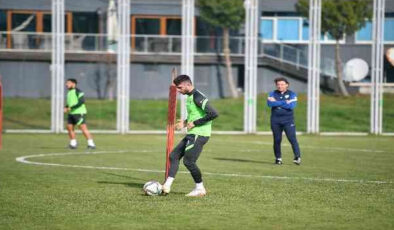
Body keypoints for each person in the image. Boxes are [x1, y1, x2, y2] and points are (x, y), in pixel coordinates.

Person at [162, 75, 218, 197]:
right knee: (174, 156)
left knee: (189, 161)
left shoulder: (198, 96)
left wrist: (194, 123)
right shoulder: (189, 97)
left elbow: (213, 113)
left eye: (180, 87)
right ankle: (167, 185)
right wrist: (186, 122)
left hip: (200, 133)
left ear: (188, 85)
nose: (178, 90)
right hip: (192, 133)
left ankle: (200, 188)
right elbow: (196, 114)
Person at [267, 77, 301, 165]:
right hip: (275, 120)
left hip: (288, 120)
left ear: (287, 85)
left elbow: (291, 106)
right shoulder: (272, 93)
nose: (280, 86)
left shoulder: (292, 94)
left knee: (292, 138)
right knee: (277, 140)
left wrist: (277, 102)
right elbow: (270, 104)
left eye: (282, 84)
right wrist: (285, 102)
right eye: (278, 84)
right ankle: (278, 159)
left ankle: (297, 157)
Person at [64, 78, 96, 149]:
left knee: (83, 128)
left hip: (79, 113)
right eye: (66, 83)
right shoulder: (69, 92)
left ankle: (91, 144)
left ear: (73, 84)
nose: (66, 84)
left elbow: (81, 102)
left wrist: (71, 108)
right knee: (69, 127)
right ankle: (73, 144)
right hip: (71, 113)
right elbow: (70, 103)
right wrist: (66, 107)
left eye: (68, 83)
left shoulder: (78, 91)